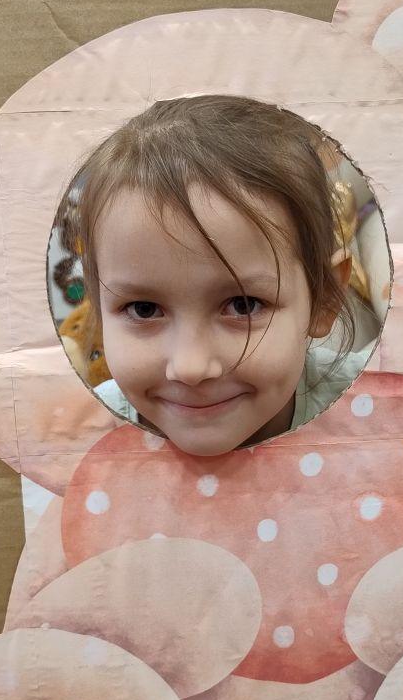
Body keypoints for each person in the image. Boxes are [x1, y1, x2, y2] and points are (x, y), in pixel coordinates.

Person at [57, 94, 382, 457]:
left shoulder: (382, 402)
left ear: (325, 299)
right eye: (143, 309)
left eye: (243, 305)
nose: (191, 368)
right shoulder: (79, 433)